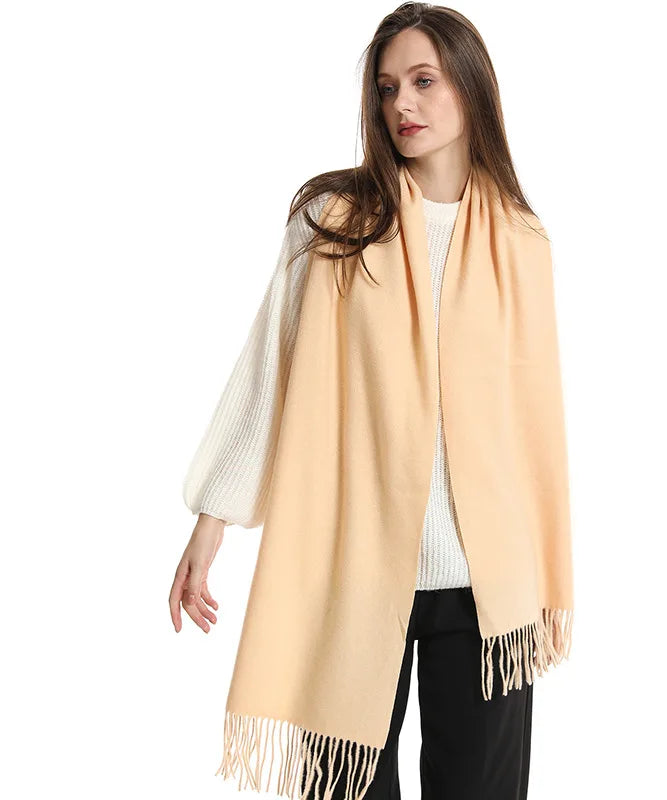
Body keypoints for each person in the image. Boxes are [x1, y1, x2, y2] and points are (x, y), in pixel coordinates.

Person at [169, 4, 574, 799]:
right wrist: (211, 520)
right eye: (387, 88)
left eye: (423, 81)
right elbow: (271, 370)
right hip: (353, 568)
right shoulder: (332, 223)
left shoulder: (521, 241)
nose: (402, 105)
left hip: (487, 584)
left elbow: (535, 425)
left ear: (471, 87)